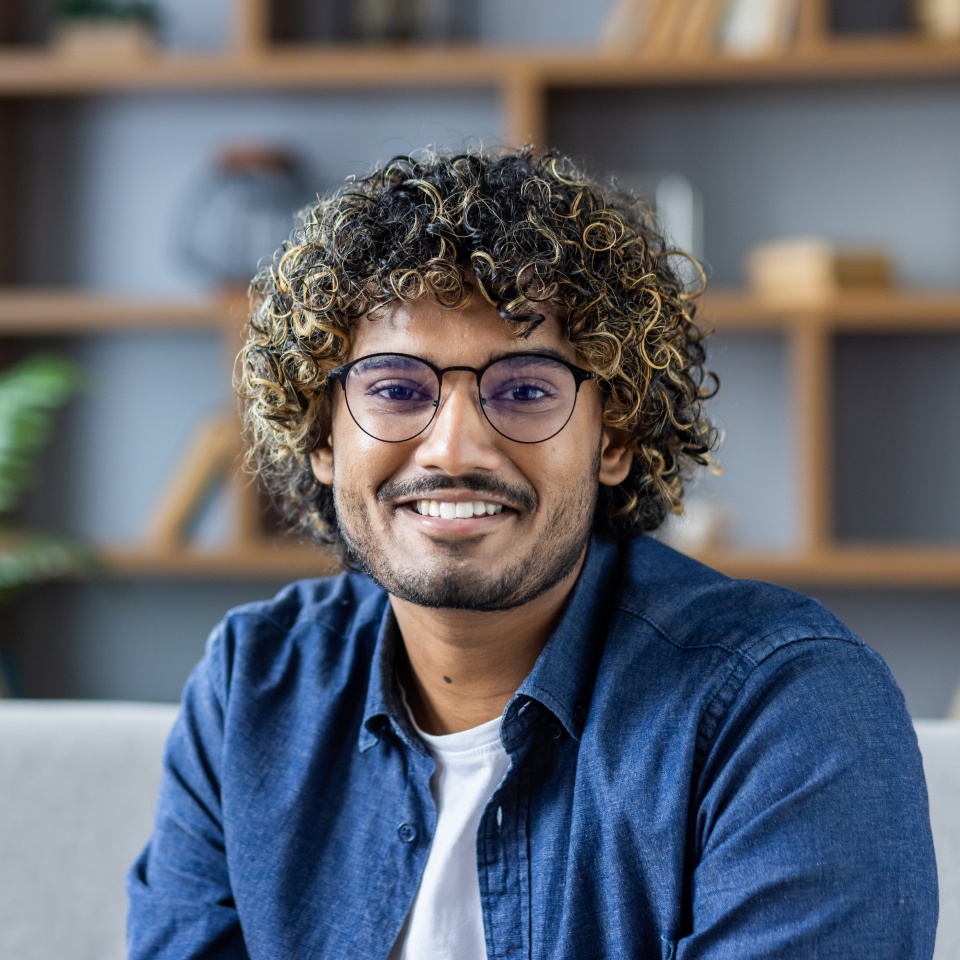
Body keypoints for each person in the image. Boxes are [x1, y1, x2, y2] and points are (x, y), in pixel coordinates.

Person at [127, 146, 938, 959]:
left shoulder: (785, 708)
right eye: (395, 388)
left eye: (524, 390)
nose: (453, 448)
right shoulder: (253, 687)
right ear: (322, 436)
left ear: (612, 437)